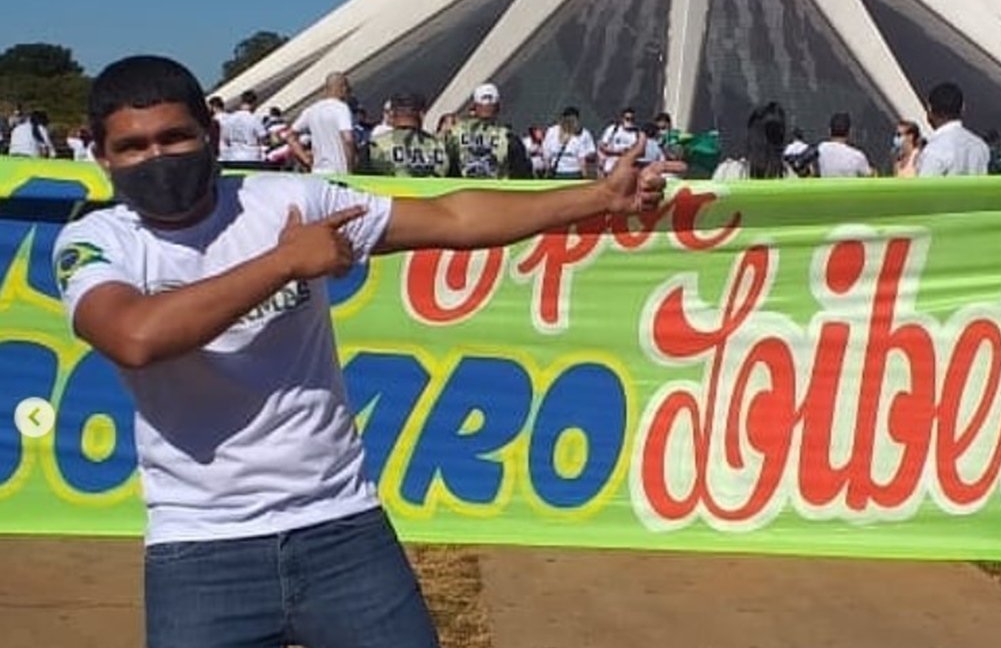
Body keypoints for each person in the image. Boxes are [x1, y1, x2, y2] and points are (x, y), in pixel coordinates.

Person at [51, 55, 683, 648]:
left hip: (342, 529)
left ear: (212, 136)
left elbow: (451, 219)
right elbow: (133, 337)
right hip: (200, 546)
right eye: (132, 147)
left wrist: (598, 199)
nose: (156, 158)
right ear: (101, 156)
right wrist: (285, 263)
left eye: (174, 138)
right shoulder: (96, 241)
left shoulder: (289, 202)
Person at [366, 91, 450, 178]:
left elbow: (361, 182)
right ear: (421, 115)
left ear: (392, 114)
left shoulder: (375, 145)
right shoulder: (440, 146)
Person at [287, 72, 357, 175]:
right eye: (347, 87)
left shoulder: (312, 110)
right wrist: (350, 167)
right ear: (342, 87)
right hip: (338, 172)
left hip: (317, 171)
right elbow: (348, 139)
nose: (348, 91)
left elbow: (289, 136)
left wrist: (306, 159)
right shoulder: (341, 108)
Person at [917, 82, 990, 177]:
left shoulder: (933, 150)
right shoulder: (980, 146)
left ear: (929, 109)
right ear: (963, 108)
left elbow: (924, 189)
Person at [712, 102, 797, 181]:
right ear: (749, 141)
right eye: (758, 137)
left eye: (772, 137)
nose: (764, 142)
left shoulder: (794, 182)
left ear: (781, 146)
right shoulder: (726, 173)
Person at [542, 107, 597, 180]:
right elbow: (582, 160)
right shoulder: (552, 131)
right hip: (564, 173)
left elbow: (546, 154)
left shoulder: (582, 133)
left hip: (567, 172)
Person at [816, 112, 872, 178]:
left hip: (825, 188)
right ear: (850, 132)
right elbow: (869, 176)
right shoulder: (857, 156)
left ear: (829, 131)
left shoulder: (821, 148)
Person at [598, 107, 642, 177]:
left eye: (632, 119)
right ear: (622, 119)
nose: (629, 121)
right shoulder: (613, 129)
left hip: (626, 169)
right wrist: (615, 151)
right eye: (627, 119)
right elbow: (602, 145)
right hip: (610, 167)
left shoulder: (637, 134)